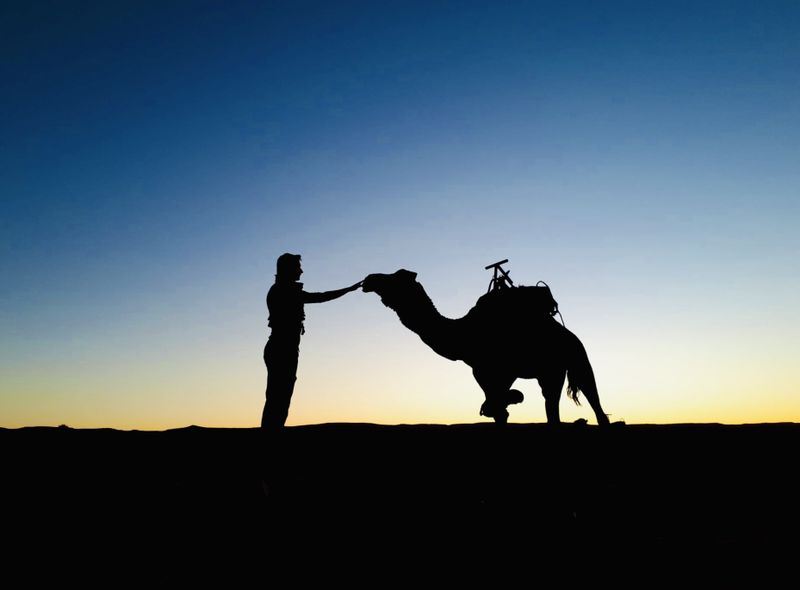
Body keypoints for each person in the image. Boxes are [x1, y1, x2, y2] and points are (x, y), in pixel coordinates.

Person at [261, 253, 362, 430]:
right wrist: (349, 289)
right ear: (289, 269)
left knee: (279, 397)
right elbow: (320, 297)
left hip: (282, 348)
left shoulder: (281, 289)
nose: (301, 270)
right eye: (297, 267)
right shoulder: (284, 291)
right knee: (279, 398)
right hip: (282, 349)